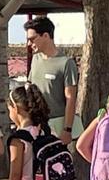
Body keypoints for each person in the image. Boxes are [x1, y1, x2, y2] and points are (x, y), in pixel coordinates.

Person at [25, 16, 79, 144]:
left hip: (57, 127)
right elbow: (29, 86)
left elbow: (70, 99)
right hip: (35, 126)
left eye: (32, 39)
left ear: (45, 36)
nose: (29, 44)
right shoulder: (35, 59)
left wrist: (67, 130)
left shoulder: (66, 63)